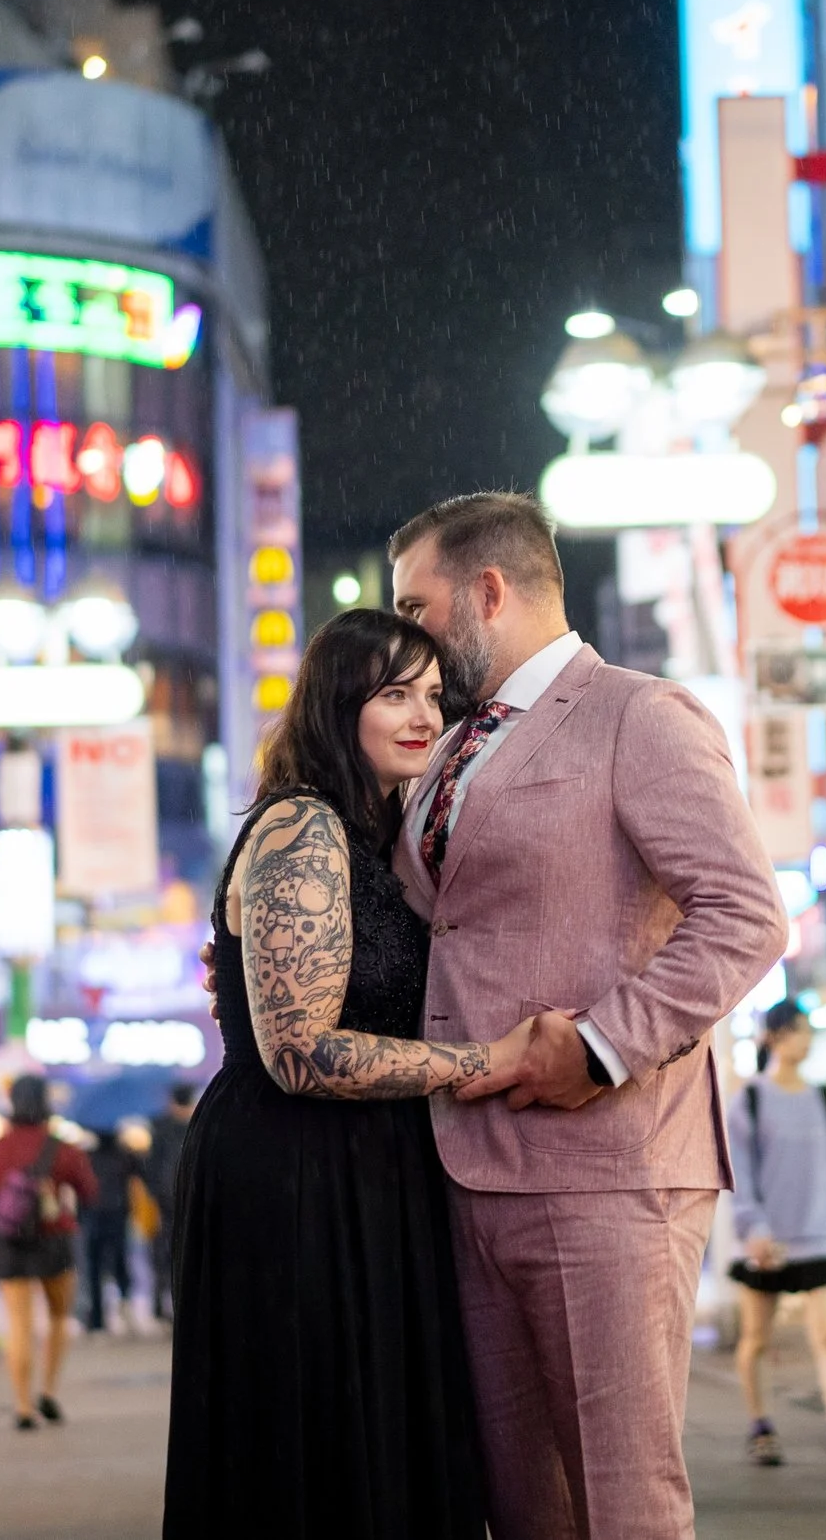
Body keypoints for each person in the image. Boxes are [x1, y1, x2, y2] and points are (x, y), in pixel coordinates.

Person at [387, 496, 791, 1539]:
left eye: (415, 606)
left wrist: (605, 1046)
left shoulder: (637, 713)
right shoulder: (444, 748)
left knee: (624, 1501)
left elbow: (746, 915)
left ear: (488, 591)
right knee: (522, 1505)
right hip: (463, 1166)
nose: (404, 635)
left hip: (610, 1163)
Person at [167, 608, 538, 1537]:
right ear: (340, 707)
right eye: (394, 695)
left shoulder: (368, 834)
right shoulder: (302, 829)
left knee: (363, 1442)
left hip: (361, 1168)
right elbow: (299, 1050)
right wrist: (485, 1061)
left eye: (430, 694)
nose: (423, 714)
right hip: (297, 1173)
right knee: (316, 1446)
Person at [729, 999, 826, 1473]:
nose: (805, 1039)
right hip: (768, 1241)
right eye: (796, 1031)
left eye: (807, 1031)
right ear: (773, 1037)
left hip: (819, 1236)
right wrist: (754, 1229)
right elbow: (741, 1177)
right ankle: (761, 1426)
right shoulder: (749, 1100)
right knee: (756, 1339)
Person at [0, 1074, 96, 1429]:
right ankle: (49, 1393)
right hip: (54, 1240)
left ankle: (23, 1406)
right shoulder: (64, 1149)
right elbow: (89, 1192)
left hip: (10, 1244)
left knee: (19, 1325)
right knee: (58, 1318)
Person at [80, 1125, 146, 1335]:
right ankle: (125, 1306)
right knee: (119, 1264)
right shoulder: (124, 1155)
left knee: (94, 1269)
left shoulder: (87, 1157)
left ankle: (98, 1319)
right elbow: (142, 1172)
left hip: (92, 1216)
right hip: (117, 1215)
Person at [144, 1084, 195, 1323]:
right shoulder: (198, 1123)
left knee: (165, 1254)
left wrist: (155, 1191)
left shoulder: (159, 1128)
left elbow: (151, 1167)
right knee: (184, 1254)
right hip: (184, 1201)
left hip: (169, 1201)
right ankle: (177, 1305)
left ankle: (164, 1305)